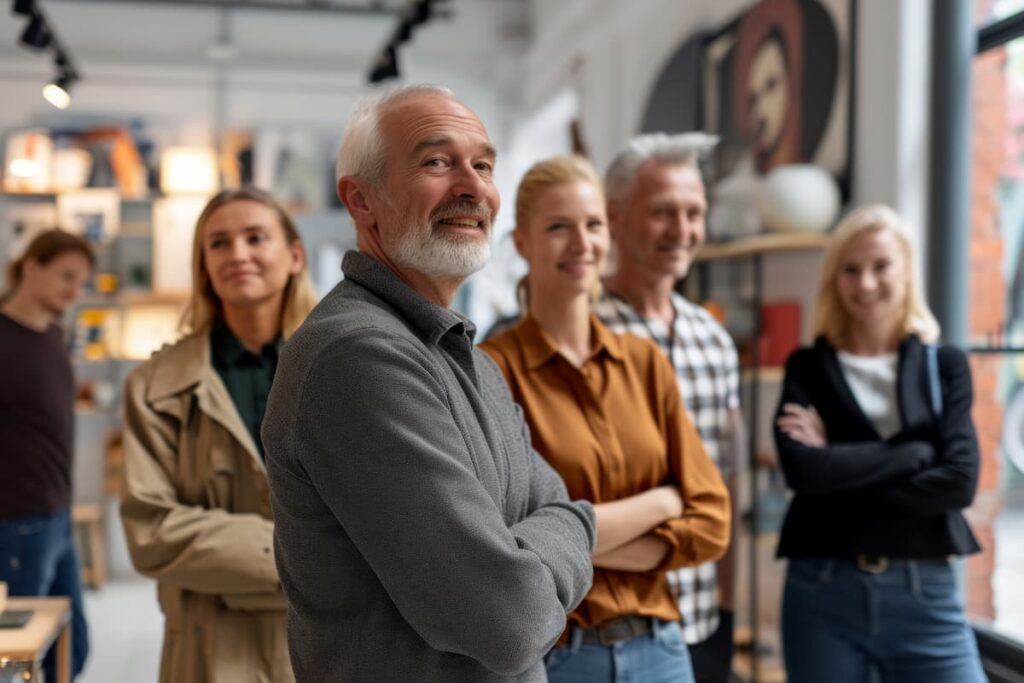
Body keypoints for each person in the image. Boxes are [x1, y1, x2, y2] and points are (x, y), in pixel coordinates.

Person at [261, 84, 596, 683]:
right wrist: (567, 534)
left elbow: (562, 503)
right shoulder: (357, 355)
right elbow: (508, 620)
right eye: (437, 162)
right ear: (362, 201)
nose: (473, 187)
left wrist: (554, 531)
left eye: (484, 165)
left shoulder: (463, 353)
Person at [480, 156, 730, 682]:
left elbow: (711, 521)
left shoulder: (645, 363)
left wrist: (573, 540)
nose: (581, 243)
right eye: (558, 227)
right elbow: (509, 548)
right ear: (522, 242)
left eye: (593, 225)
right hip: (558, 658)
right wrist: (660, 503)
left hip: (662, 651)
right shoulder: (491, 371)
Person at [773, 204, 986, 682]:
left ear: (907, 271)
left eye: (881, 266)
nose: (865, 283)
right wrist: (913, 455)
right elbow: (804, 473)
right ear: (835, 278)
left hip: (924, 592)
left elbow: (959, 483)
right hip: (822, 594)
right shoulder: (807, 367)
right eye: (851, 269)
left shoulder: (944, 365)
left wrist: (837, 466)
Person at [120, 187, 316, 683]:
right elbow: (153, 533)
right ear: (203, 264)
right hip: (209, 652)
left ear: (294, 255)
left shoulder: (347, 372)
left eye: (256, 237)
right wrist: (308, 555)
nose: (238, 255)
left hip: (328, 641)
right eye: (219, 243)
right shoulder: (155, 386)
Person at [595, 132, 743, 683]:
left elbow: (726, 480)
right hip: (605, 620)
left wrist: (729, 608)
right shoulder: (580, 330)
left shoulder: (714, 336)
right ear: (614, 218)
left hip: (701, 618)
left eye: (693, 212)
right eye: (663, 213)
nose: (683, 231)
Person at [0, 229, 94, 680]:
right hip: (15, 522)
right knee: (20, 659)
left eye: (81, 281)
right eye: (66, 277)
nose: (75, 291)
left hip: (56, 515)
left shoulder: (54, 335)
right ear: (31, 268)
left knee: (72, 649)